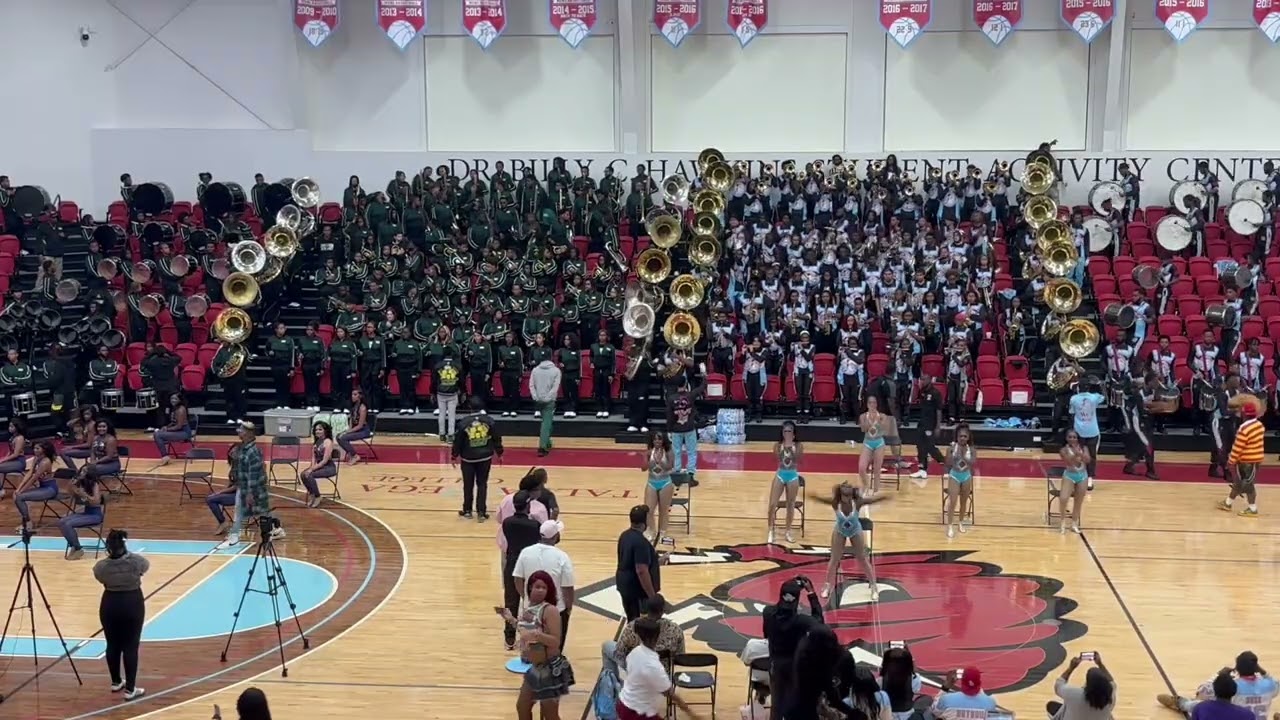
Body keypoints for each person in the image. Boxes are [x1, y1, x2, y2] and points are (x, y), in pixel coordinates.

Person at [495, 570, 575, 720]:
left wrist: (536, 635)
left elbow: (555, 641)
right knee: (522, 707)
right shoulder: (529, 608)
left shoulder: (550, 610)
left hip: (550, 668)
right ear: (529, 587)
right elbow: (525, 629)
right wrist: (510, 619)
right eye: (537, 586)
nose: (540, 590)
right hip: (535, 668)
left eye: (544, 588)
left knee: (550, 714)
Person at [93, 529, 149, 700]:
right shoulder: (136, 562)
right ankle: (130, 689)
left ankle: (116, 681)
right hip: (132, 603)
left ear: (108, 547)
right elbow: (145, 567)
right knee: (131, 646)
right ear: (124, 544)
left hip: (110, 603)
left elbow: (100, 578)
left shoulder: (100, 566)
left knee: (112, 644)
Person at [762, 577, 825, 720]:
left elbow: (766, 634)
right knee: (797, 707)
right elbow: (820, 621)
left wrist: (791, 583)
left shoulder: (768, 612)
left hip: (776, 666)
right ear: (797, 600)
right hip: (796, 669)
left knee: (777, 707)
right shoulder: (801, 621)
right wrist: (811, 593)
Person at [615, 617, 701, 720]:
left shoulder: (635, 652)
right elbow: (670, 694)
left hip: (624, 704)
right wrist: (691, 713)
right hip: (637, 712)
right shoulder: (653, 665)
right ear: (655, 637)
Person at [513, 519, 577, 647]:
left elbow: (517, 579)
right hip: (556, 610)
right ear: (555, 536)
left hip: (530, 608)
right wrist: (569, 607)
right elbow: (567, 587)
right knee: (554, 647)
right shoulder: (562, 557)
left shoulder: (526, 552)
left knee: (531, 645)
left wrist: (526, 597)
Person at [1158, 651, 1278, 718]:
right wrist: (1264, 672)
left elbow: (1203, 691)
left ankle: (1181, 702)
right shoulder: (1270, 684)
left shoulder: (1234, 685)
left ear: (1238, 669)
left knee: (1202, 705)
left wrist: (1217, 675)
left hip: (1233, 716)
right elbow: (1276, 684)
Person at [817, 482, 885, 599]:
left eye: (849, 487)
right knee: (834, 559)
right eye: (844, 487)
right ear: (841, 492)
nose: (847, 487)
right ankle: (827, 585)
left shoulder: (857, 502)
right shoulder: (835, 502)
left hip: (855, 531)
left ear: (852, 492)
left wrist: (884, 497)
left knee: (862, 558)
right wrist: (813, 496)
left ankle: (873, 586)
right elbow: (821, 500)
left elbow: (872, 501)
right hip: (840, 531)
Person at [779, 624, 862, 720]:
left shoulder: (805, 649)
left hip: (791, 704)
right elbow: (833, 697)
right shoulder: (814, 667)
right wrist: (852, 712)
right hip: (803, 710)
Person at [217, 421, 278, 549]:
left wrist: (250, 492)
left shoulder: (253, 451)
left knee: (261, 512)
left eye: (242, 429)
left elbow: (254, 472)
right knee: (241, 512)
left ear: (249, 433)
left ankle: (276, 528)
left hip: (253, 487)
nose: (238, 431)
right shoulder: (244, 448)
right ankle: (234, 538)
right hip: (244, 486)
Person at [500, 490, 544, 651]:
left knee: (510, 602)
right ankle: (531, 639)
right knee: (531, 604)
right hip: (529, 566)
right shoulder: (534, 525)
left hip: (511, 564)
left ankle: (509, 638)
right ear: (527, 506)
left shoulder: (507, 523)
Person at [605, 594, 685, 673]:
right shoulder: (675, 630)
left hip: (637, 672)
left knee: (606, 646)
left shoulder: (632, 627)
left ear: (647, 609)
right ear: (663, 610)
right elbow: (680, 656)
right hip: (662, 674)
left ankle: (612, 682)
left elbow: (620, 651)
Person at [452, 396, 503, 520]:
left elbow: (458, 441)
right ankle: (481, 512)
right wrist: (500, 453)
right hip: (485, 457)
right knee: (482, 484)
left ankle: (467, 511)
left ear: (469, 407)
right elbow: (497, 438)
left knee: (468, 485)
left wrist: (454, 455)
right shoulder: (490, 421)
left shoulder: (463, 423)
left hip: (468, 458)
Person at [615, 505, 661, 621]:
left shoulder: (624, 535)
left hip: (624, 585)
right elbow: (641, 570)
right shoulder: (641, 542)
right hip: (637, 591)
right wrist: (652, 596)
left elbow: (629, 560)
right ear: (644, 523)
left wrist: (656, 561)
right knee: (642, 623)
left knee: (632, 619)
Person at [1222, 398, 1264, 516]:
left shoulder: (1244, 429)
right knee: (1238, 482)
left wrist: (1231, 461)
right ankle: (1228, 503)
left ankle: (1252, 508)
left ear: (1244, 415)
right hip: (1255, 460)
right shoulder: (1259, 425)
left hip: (1247, 461)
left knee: (1248, 485)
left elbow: (1238, 447)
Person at [1046, 652, 1114, 720]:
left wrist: (1071, 668)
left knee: (1052, 706)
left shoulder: (1075, 694)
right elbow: (1111, 682)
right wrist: (1100, 664)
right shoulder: (1110, 698)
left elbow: (1058, 685)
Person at [767, 421, 803, 544]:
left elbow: (797, 458)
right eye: (785, 431)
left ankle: (788, 531)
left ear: (793, 434)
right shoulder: (777, 445)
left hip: (792, 475)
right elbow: (778, 459)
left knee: (790, 504)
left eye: (789, 431)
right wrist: (784, 447)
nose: (787, 433)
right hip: (781, 473)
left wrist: (790, 447)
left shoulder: (798, 445)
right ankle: (770, 530)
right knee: (772, 504)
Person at [60, 467, 105, 560]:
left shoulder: (94, 484)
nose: (81, 472)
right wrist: (71, 486)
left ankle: (78, 549)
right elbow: (71, 494)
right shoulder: (80, 483)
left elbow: (96, 501)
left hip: (95, 515)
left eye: (84, 471)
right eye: (81, 470)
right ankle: (75, 546)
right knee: (61, 522)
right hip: (86, 512)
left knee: (68, 524)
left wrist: (84, 495)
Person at [640, 429, 675, 543]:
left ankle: (663, 532)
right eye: (655, 439)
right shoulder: (649, 452)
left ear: (663, 440)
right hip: (651, 482)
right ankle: (651, 531)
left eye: (659, 439)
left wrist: (661, 461)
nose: (657, 441)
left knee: (663, 510)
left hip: (665, 482)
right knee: (649, 510)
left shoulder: (668, 451)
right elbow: (643, 468)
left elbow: (670, 467)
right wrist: (650, 459)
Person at [12, 441, 56, 530]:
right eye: (34, 448)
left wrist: (21, 491)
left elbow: (33, 479)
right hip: (43, 487)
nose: (34, 450)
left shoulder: (45, 462)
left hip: (49, 489)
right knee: (18, 495)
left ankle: (28, 523)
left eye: (37, 448)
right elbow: (30, 473)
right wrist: (19, 488)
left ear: (44, 450)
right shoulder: (36, 458)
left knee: (19, 497)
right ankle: (27, 522)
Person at [1069, 379, 1104, 490]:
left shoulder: (1073, 399)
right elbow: (1103, 397)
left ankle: (1078, 479)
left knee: (1078, 455)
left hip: (1079, 432)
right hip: (1093, 431)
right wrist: (1099, 386)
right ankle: (1089, 479)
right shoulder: (1094, 397)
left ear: (1078, 387)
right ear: (1089, 387)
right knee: (1092, 456)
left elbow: (1071, 413)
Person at [943, 424, 977, 538]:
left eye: (965, 436)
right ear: (956, 437)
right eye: (960, 436)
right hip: (955, 476)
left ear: (968, 437)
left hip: (966, 476)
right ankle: (950, 525)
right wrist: (953, 455)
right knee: (953, 502)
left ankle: (961, 522)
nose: (962, 438)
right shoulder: (951, 448)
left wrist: (964, 456)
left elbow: (973, 462)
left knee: (964, 501)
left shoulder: (971, 449)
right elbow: (947, 463)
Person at [666, 380, 704, 479]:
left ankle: (677, 471)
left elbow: (670, 416)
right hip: (689, 428)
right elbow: (701, 388)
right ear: (686, 384)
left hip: (676, 429)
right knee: (691, 451)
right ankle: (690, 473)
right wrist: (704, 376)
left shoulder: (671, 398)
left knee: (676, 451)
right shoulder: (690, 395)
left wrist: (669, 430)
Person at [1121, 378, 1158, 480]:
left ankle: (1129, 466)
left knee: (1140, 446)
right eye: (1136, 387)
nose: (1138, 389)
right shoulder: (1136, 396)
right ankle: (1150, 471)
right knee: (1148, 446)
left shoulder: (1126, 398)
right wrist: (1158, 409)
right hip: (1138, 425)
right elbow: (1142, 412)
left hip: (1135, 425)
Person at [910, 375, 946, 480]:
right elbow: (912, 400)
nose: (922, 381)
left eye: (924, 379)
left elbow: (939, 411)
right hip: (922, 423)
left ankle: (946, 464)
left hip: (931, 424)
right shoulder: (921, 392)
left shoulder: (936, 393)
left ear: (930, 380)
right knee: (920, 447)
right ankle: (922, 470)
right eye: (921, 379)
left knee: (930, 447)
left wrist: (938, 427)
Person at [1057, 429, 1091, 534]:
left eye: (1074, 437)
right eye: (1070, 437)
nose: (1072, 439)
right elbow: (1068, 461)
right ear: (1066, 438)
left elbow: (1088, 460)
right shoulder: (1063, 450)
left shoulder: (1084, 447)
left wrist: (1080, 453)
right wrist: (1075, 454)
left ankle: (1074, 524)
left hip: (1082, 476)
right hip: (1069, 475)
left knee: (1078, 500)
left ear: (1077, 438)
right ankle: (1062, 522)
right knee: (1063, 498)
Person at [931, 667, 998, 719]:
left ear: (962, 680)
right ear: (979, 681)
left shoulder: (946, 699)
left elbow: (934, 711)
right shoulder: (990, 702)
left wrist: (946, 687)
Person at [299, 421, 336, 508]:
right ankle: (312, 494)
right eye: (316, 430)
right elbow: (313, 458)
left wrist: (312, 470)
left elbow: (324, 461)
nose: (317, 431)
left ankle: (318, 496)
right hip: (319, 466)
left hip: (328, 467)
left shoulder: (328, 442)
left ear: (325, 431)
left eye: (320, 429)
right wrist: (311, 467)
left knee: (309, 475)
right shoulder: (316, 442)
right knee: (303, 474)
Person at [531, 353, 562, 457]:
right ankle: (542, 447)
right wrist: (548, 397)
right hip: (549, 400)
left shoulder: (535, 370)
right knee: (546, 423)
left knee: (547, 422)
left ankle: (547, 442)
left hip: (538, 399)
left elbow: (531, 385)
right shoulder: (556, 371)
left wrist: (535, 396)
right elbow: (555, 387)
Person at [859, 395, 892, 492]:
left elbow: (885, 430)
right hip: (868, 442)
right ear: (867, 404)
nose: (872, 405)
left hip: (879, 443)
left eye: (874, 403)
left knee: (877, 469)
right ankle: (866, 485)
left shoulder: (882, 416)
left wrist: (877, 421)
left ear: (877, 404)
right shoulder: (863, 416)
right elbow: (863, 429)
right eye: (870, 403)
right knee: (861, 467)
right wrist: (870, 421)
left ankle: (876, 490)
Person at [152, 392, 191, 466]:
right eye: (171, 398)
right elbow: (174, 422)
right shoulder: (174, 408)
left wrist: (167, 429)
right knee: (158, 434)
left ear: (180, 400)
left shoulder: (181, 410)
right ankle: (165, 456)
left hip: (184, 432)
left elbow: (178, 426)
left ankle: (165, 456)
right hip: (177, 431)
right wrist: (166, 427)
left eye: (175, 399)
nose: (173, 400)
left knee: (158, 435)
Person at [208, 446, 240, 536]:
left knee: (211, 499)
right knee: (211, 498)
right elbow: (232, 483)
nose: (232, 453)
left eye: (235, 452)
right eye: (231, 451)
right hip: (234, 493)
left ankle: (223, 522)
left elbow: (237, 486)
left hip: (241, 495)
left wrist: (221, 492)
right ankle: (222, 522)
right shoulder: (234, 465)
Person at [336, 388, 371, 465]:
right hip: (356, 429)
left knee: (343, 437)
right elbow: (351, 421)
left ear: (360, 396)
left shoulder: (362, 408)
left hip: (363, 430)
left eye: (355, 394)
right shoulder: (353, 406)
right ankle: (351, 453)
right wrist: (347, 430)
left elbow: (360, 425)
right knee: (338, 436)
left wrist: (347, 432)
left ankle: (355, 455)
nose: (352, 396)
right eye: (352, 394)